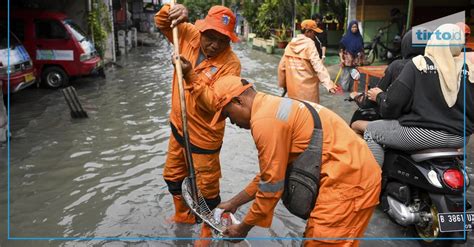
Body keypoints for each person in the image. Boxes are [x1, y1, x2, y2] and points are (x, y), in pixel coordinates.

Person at [210, 75, 381, 246]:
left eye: (227, 114)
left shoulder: (264, 121)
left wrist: (243, 228)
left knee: (321, 241)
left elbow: (271, 187)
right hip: (353, 169)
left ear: (238, 101)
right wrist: (234, 203)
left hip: (350, 182)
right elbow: (269, 175)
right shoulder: (272, 104)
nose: (232, 122)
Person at [154, 2, 241, 238]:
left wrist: (190, 74)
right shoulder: (187, 33)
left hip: (204, 137)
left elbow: (214, 103)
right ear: (201, 30)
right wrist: (172, 11)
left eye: (222, 40)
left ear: (229, 41)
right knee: (173, 176)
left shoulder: (231, 65)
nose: (214, 44)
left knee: (207, 190)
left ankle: (206, 231)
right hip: (178, 127)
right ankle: (182, 215)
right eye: (210, 37)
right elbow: (162, 23)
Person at [363, 24, 474, 166]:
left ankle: (372, 185)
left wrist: (379, 97)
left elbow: (393, 104)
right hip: (460, 138)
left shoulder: (419, 64)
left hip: (423, 135)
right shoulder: (468, 68)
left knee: (372, 131)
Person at [350, 30, 425, 135]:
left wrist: (360, 98)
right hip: (432, 127)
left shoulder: (398, 66)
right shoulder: (435, 68)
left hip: (404, 125)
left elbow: (380, 98)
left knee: (356, 125)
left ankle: (370, 151)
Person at [278, 19, 336, 103]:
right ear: (308, 31)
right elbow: (318, 66)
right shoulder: (310, 45)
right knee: (310, 114)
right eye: (314, 33)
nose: (315, 36)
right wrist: (328, 84)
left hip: (292, 92)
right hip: (308, 94)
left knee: (295, 114)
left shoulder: (290, 45)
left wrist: (284, 85)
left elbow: (281, 68)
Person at [339, 20, 364, 92]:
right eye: (353, 27)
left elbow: (362, 48)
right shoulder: (345, 38)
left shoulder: (359, 37)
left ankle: (350, 89)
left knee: (353, 75)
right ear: (350, 28)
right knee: (345, 76)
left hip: (355, 61)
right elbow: (341, 49)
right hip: (347, 60)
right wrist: (341, 59)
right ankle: (344, 90)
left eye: (355, 27)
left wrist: (361, 59)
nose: (354, 28)